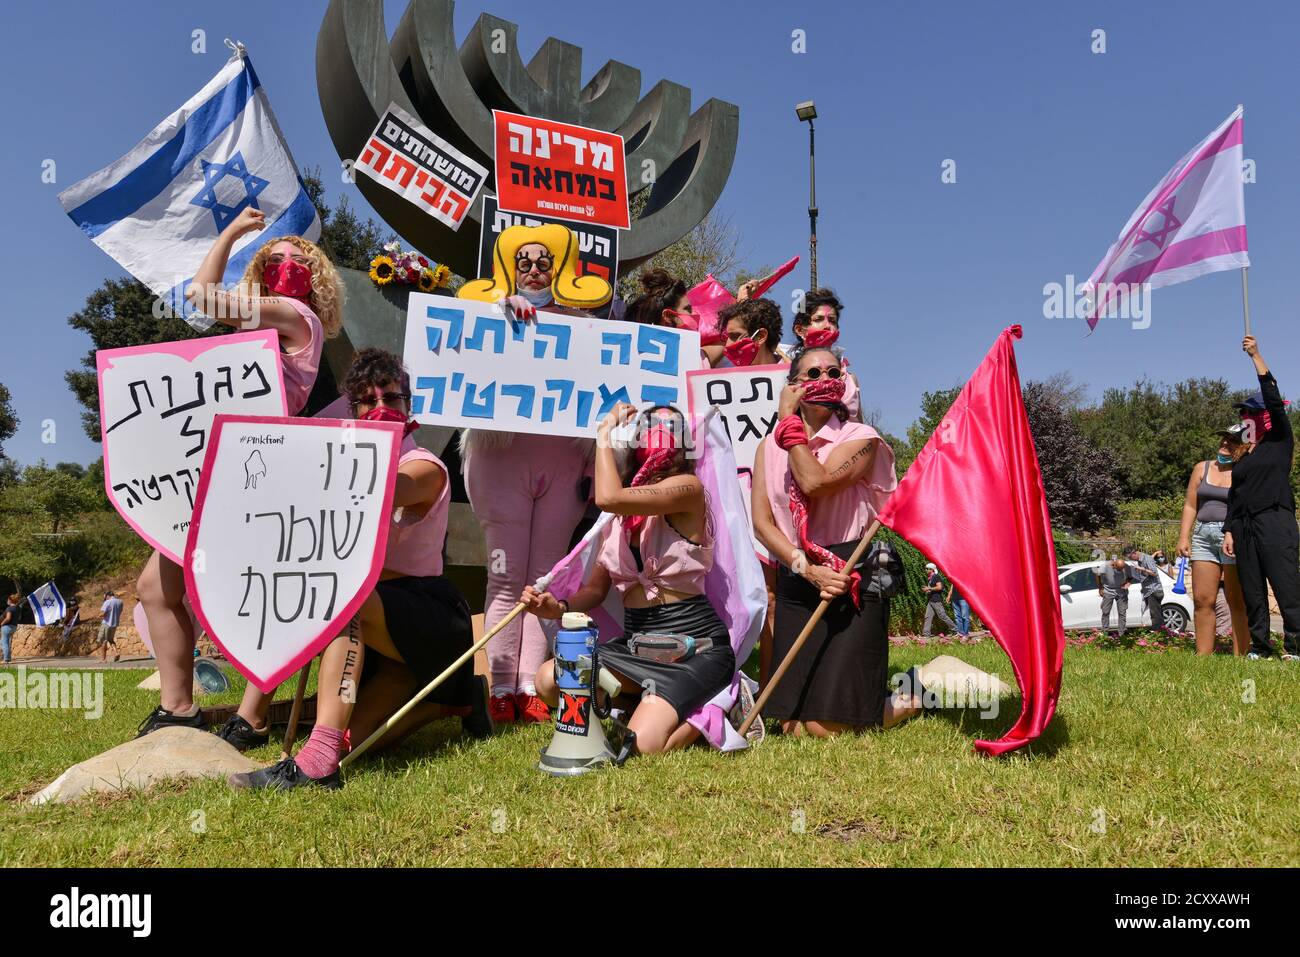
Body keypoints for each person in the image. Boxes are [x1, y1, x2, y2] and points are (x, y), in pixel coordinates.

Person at [228, 349, 491, 787]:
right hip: (375, 629)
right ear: (353, 409)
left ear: (408, 405)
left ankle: (317, 764)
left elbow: (382, 488)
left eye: (391, 396)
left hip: (429, 618)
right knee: (360, 742)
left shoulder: (424, 466)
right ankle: (455, 701)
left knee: (338, 598)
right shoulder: (337, 461)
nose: (381, 407)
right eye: (368, 400)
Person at [135, 206, 345, 737]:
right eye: (274, 259)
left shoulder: (298, 318)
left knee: (263, 595)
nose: (286, 265)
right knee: (156, 588)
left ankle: (249, 717)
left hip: (258, 472)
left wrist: (230, 232)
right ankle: (177, 708)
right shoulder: (251, 330)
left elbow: (202, 296)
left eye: (299, 260)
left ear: (316, 275)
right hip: (210, 471)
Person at [455, 225, 614, 724]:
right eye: (523, 261)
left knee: (545, 577)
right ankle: (502, 686)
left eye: (543, 261)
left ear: (561, 265)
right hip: (500, 458)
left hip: (564, 461)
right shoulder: (490, 313)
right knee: (505, 575)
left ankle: (530, 685)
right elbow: (463, 349)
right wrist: (502, 316)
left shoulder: (583, 324)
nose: (533, 270)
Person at [520, 404, 735, 756]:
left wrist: (603, 435)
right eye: (650, 424)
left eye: (672, 426)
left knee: (642, 748)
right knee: (548, 680)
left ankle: (708, 714)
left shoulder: (687, 488)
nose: (660, 431)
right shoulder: (617, 520)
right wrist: (556, 607)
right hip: (636, 645)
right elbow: (595, 589)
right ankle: (639, 703)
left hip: (694, 649)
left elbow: (609, 496)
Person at [750, 347, 922, 735]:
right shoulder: (767, 448)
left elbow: (816, 482)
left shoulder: (862, 437)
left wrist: (786, 424)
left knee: (825, 728)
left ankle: (914, 693)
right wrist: (806, 570)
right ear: (794, 385)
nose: (825, 378)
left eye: (833, 371)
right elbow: (763, 524)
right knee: (792, 726)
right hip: (799, 571)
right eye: (813, 373)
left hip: (853, 571)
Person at [1223, 335, 1300, 661]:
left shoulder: (1280, 440)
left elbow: (1272, 396)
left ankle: (1295, 647)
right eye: (1243, 414)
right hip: (1244, 526)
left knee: (1285, 585)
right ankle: (1260, 648)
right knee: (1253, 590)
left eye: (1250, 413)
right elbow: (1235, 494)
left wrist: (1256, 356)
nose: (1246, 418)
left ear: (1265, 416)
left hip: (1274, 519)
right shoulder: (1244, 452)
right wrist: (1229, 529)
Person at [1176, 425, 1250, 654]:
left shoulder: (1244, 471)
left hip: (1232, 537)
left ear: (1243, 447)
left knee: (1236, 600)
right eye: (1224, 440)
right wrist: (1183, 537)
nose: (1225, 444)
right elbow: (1190, 505)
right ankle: (1203, 656)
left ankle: (1241, 656)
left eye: (1232, 441)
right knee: (1202, 599)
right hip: (1203, 536)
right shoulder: (1202, 468)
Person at [786, 288, 862, 420]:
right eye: (818, 319)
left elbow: (859, 423)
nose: (827, 326)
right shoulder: (785, 371)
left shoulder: (850, 379)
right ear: (799, 330)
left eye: (832, 320)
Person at [715, 298, 786, 368]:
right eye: (727, 338)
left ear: (761, 336)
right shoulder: (721, 375)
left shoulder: (791, 376)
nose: (727, 345)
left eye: (735, 336)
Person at [1127, 547, 1167, 634]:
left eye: (1130, 557)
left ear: (1134, 553)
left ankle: (1158, 634)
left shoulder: (1147, 558)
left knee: (1155, 615)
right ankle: (1163, 633)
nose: (1130, 559)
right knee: (1158, 614)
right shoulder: (1140, 561)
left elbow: (1154, 573)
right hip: (1149, 590)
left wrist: (1143, 569)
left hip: (1154, 590)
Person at [1096, 555, 1137, 636]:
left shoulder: (1126, 567)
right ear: (1114, 565)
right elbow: (1097, 575)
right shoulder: (1105, 566)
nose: (1120, 571)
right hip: (1108, 591)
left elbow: (1131, 577)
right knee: (1105, 612)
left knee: (1122, 613)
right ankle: (1105, 633)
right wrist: (1100, 588)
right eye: (1118, 569)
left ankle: (1121, 634)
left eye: (1121, 569)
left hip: (1121, 591)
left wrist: (1128, 583)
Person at [922, 562, 958, 637]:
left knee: (942, 616)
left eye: (927, 569)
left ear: (932, 570)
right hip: (931, 600)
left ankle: (955, 629)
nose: (925, 570)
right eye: (925, 568)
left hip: (936, 600)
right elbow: (934, 588)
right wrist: (928, 590)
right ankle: (926, 634)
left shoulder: (936, 576)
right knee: (928, 616)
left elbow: (939, 587)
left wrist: (929, 588)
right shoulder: (930, 578)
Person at [99, 591, 124, 662]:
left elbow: (103, 613)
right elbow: (120, 611)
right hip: (114, 624)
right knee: (110, 639)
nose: (105, 598)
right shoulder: (120, 602)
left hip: (106, 623)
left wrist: (99, 615)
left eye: (105, 597)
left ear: (107, 596)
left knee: (103, 641)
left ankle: (103, 659)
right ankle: (116, 653)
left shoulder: (107, 602)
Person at [1, 594, 18, 664]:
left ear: (10, 601)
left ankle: (6, 659)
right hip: (14, 627)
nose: (7, 601)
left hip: (7, 627)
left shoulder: (9, 608)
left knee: (4, 643)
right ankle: (7, 657)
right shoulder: (17, 608)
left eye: (8, 600)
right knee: (4, 642)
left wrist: (1, 624)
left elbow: (8, 618)